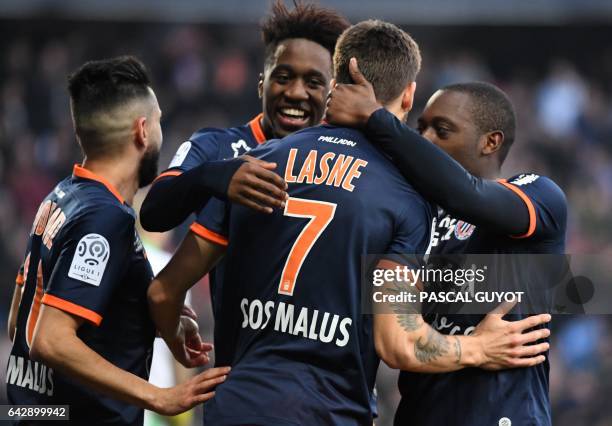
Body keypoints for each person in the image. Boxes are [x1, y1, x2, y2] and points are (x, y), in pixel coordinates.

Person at [148, 21, 551, 425]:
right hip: (330, 411)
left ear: (333, 84)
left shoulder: (252, 167)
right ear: (409, 95)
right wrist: (478, 348)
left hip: (238, 405)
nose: (426, 139)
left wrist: (177, 337)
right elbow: (399, 343)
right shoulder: (405, 199)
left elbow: (163, 293)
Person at [3, 55, 281, 424]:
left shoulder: (60, 197)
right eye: (160, 122)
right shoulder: (106, 218)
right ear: (142, 131)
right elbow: (50, 338)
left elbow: (19, 320)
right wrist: (159, 398)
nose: (162, 134)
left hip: (34, 412)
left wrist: (148, 320)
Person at [326, 64, 567, 425]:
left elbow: (464, 194)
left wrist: (376, 117)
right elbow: (397, 336)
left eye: (442, 130)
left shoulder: (539, 195)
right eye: (420, 127)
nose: (425, 139)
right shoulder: (413, 221)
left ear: (491, 141)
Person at [140, 0, 350, 232]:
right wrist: (213, 175)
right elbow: (152, 214)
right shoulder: (215, 146)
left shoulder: (348, 164)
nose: (295, 93)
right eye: (282, 78)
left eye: (313, 83)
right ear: (261, 85)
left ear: (332, 92)